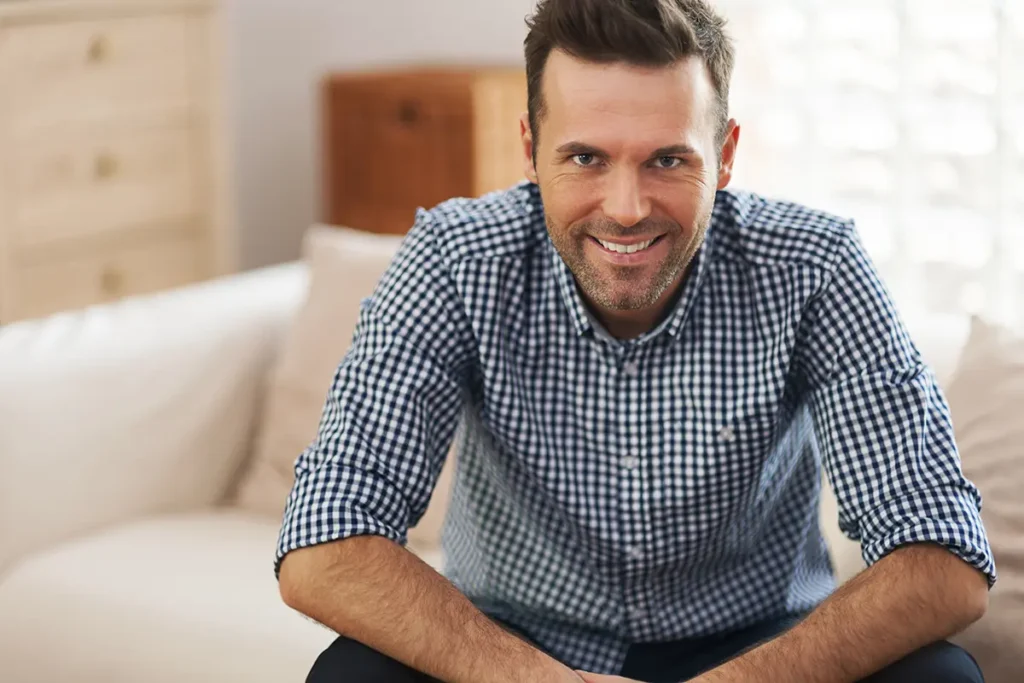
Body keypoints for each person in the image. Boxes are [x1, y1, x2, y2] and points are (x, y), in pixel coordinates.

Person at [277, 1, 995, 681]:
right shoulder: (453, 260)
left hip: (760, 648)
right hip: (516, 645)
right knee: (351, 672)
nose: (626, 209)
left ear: (726, 152)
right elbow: (323, 545)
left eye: (668, 160)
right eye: (586, 158)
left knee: (941, 674)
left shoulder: (815, 265)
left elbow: (944, 559)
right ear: (529, 149)